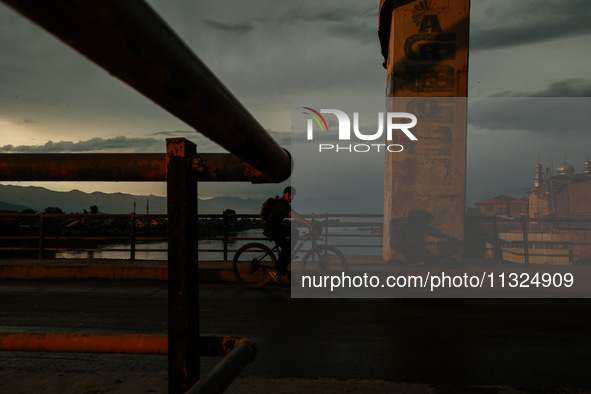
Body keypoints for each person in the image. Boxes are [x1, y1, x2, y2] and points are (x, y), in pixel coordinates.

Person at [263, 186, 311, 284]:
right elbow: (293, 215)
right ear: (285, 194)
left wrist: (306, 221)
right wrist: (307, 223)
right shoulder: (281, 204)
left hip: (276, 227)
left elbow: (296, 214)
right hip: (271, 229)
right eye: (290, 195)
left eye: (292, 196)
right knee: (286, 248)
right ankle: (276, 271)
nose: (291, 197)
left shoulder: (285, 204)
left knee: (295, 232)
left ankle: (288, 254)